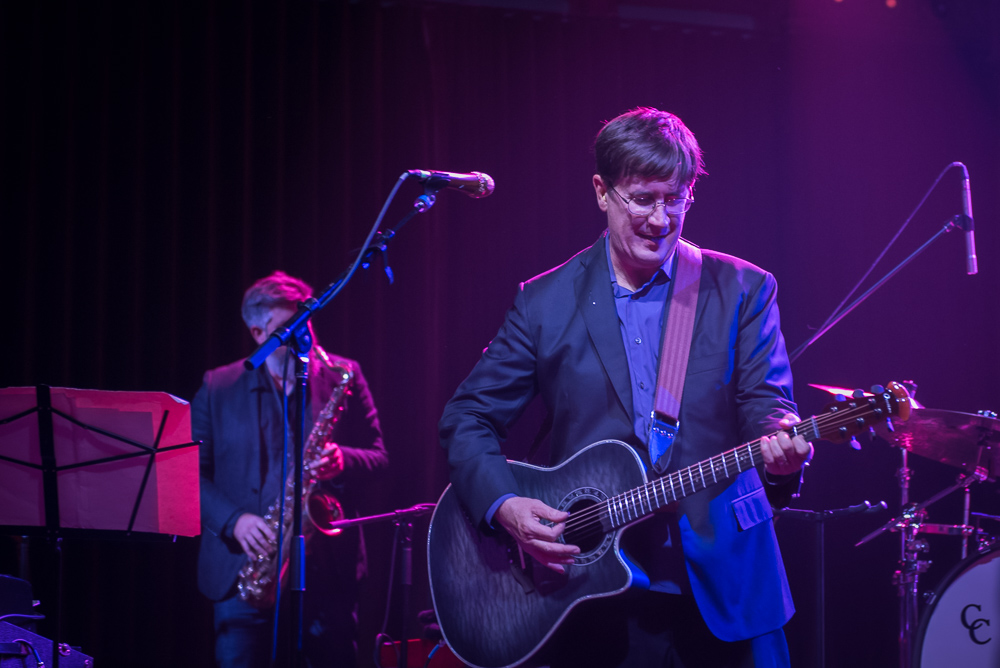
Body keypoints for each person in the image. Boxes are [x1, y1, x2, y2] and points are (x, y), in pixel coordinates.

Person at [438, 107, 812, 667]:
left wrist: (782, 443)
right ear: (601, 192)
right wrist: (505, 504)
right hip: (592, 598)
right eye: (642, 199)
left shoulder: (743, 289)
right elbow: (467, 418)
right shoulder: (545, 302)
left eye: (676, 199)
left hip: (731, 584)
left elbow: (768, 407)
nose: (661, 220)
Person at [194, 271, 387, 668]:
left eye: (307, 323)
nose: (305, 336)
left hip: (327, 573)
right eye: (290, 327)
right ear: (258, 331)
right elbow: (188, 474)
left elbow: (380, 458)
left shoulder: (342, 375)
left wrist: (343, 460)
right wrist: (235, 521)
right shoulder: (218, 386)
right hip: (244, 572)